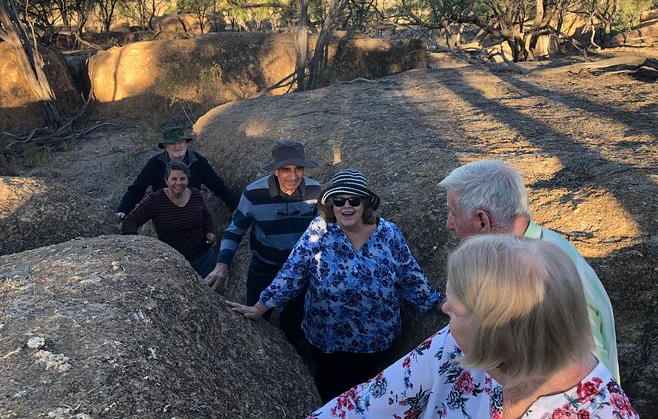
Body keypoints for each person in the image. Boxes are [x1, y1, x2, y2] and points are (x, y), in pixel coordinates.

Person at [309, 235, 639, 418]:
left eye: (456, 308)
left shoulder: (602, 412)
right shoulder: (454, 345)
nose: (445, 309)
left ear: (497, 329)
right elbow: (366, 403)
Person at [227, 169, 442, 402]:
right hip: (326, 336)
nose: (346, 206)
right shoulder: (319, 230)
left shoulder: (388, 234)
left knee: (365, 394)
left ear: (365, 204)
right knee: (328, 390)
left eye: (354, 200)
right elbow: (292, 272)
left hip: (374, 338)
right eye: (339, 200)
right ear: (331, 205)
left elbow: (409, 275)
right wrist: (260, 307)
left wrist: (437, 302)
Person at [438, 159, 620, 382]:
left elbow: (590, 381)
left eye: (453, 213)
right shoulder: (531, 251)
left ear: (482, 221)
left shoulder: (548, 282)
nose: (448, 224)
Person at [204, 140, 321, 347]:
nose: (293, 176)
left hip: (299, 271)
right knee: (255, 318)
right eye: (286, 169)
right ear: (276, 170)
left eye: (298, 169)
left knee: (294, 324)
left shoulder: (315, 191)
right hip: (264, 266)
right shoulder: (254, 194)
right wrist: (222, 264)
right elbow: (235, 230)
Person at [116, 126, 237, 219]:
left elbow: (217, 185)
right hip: (164, 212)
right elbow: (137, 188)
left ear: (186, 143)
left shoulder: (199, 161)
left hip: (191, 210)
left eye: (180, 142)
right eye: (172, 143)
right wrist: (123, 209)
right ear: (165, 146)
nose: (177, 146)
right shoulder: (154, 164)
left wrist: (234, 207)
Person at [122, 161, 216, 278]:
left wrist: (210, 232)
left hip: (203, 258)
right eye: (174, 179)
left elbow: (206, 216)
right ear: (166, 180)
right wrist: (138, 246)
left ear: (188, 179)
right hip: (175, 264)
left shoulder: (195, 194)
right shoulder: (155, 201)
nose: (178, 183)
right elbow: (130, 222)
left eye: (182, 179)